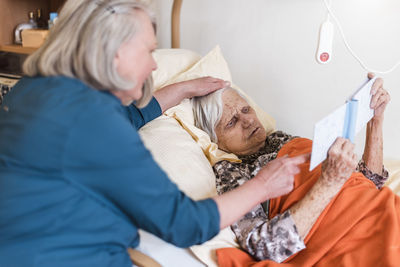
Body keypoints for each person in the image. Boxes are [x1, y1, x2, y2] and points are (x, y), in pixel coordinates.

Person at [0, 1, 308, 266]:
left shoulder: (33, 88)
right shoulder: (94, 123)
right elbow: (185, 223)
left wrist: (185, 88)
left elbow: (128, 117)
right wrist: (263, 185)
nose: (153, 64)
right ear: (112, 50)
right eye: (148, 50)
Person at [191, 77, 395, 263]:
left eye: (245, 110)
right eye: (231, 122)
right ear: (215, 140)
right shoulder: (231, 173)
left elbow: (370, 183)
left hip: (383, 212)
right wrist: (329, 182)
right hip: (352, 242)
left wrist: (375, 121)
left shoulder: (281, 138)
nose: (248, 121)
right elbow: (267, 248)